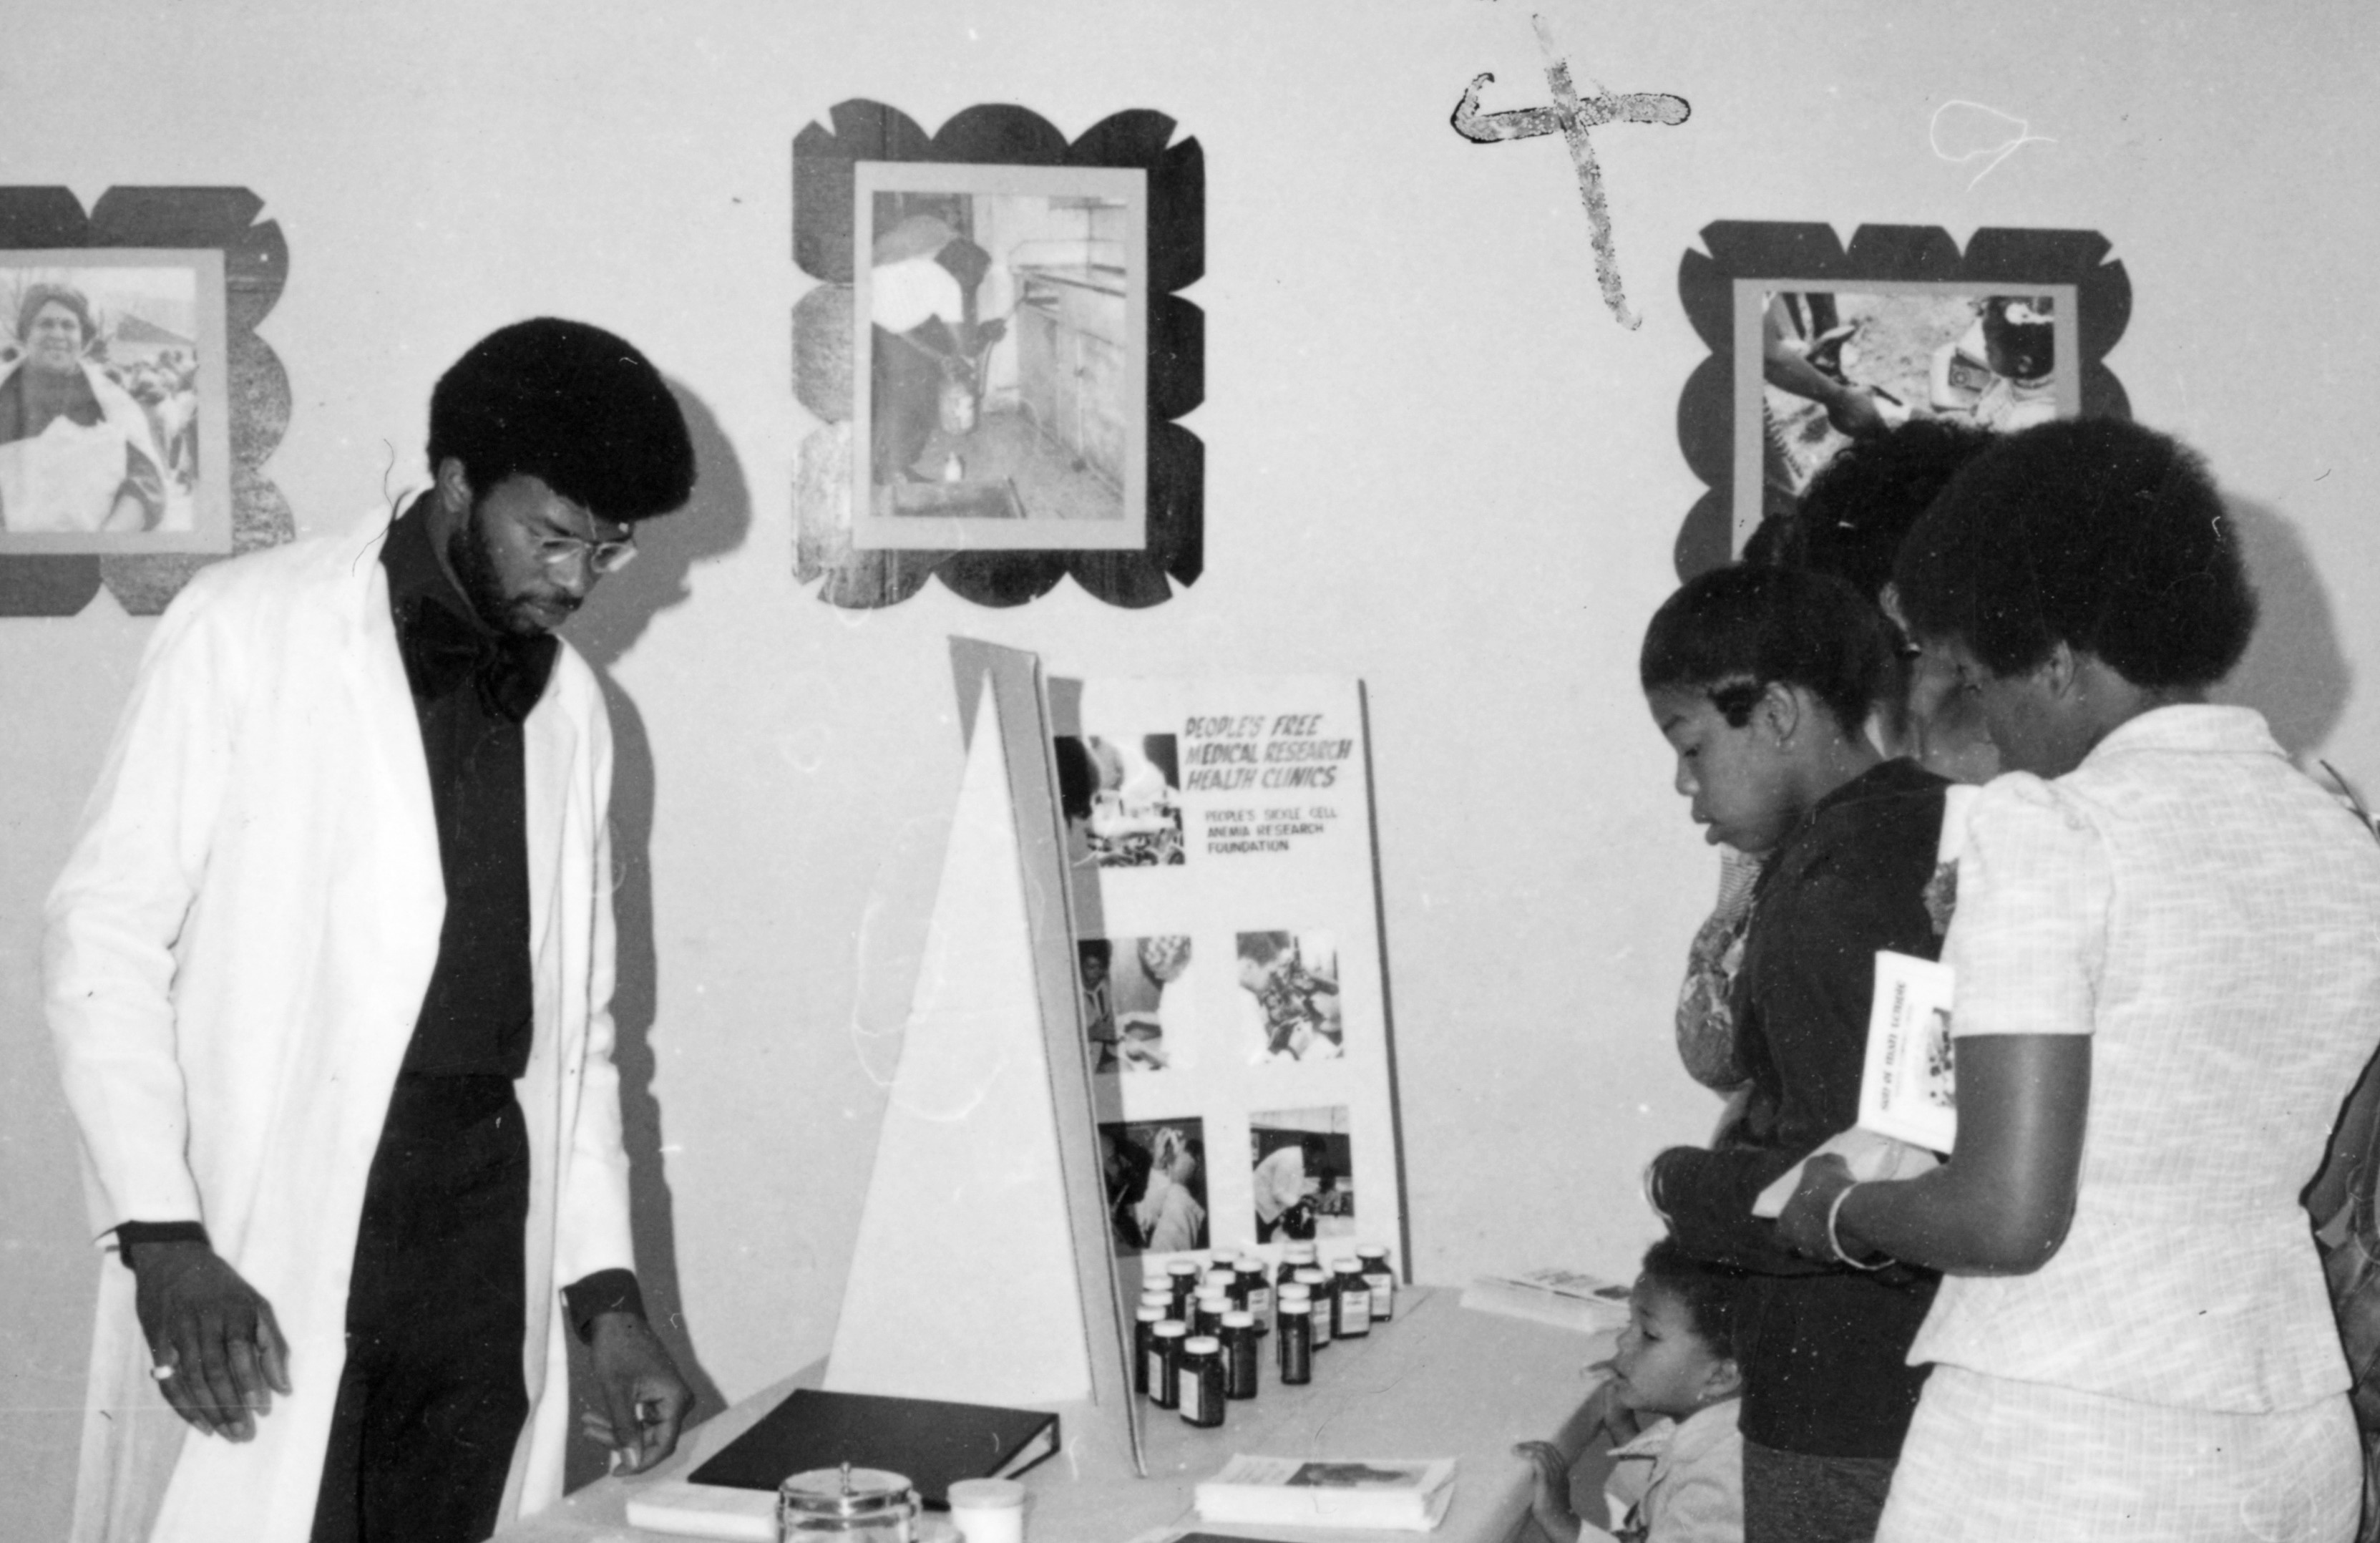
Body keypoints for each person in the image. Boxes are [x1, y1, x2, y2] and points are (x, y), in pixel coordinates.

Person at [47, 318, 701, 1543]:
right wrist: (163, 1236)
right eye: (551, 536)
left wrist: (604, 1297)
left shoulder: (574, 708)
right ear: (456, 481)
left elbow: (579, 1039)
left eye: (607, 552)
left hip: (478, 1231)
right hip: (264, 1226)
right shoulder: (246, 626)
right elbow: (101, 941)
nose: (573, 583)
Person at [1777, 417, 2380, 1542]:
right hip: (2287, 1432)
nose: (1987, 724)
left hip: (2066, 1444)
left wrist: (1843, 1213)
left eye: (1978, 675)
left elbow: (2008, 1214)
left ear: (2054, 659)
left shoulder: (2051, 830)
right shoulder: (2342, 842)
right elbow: (2315, 1152)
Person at [1639, 565, 1948, 1543]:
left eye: (1690, 744)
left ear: (1773, 712)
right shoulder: (1927, 822)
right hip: (1918, 1387)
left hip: (1837, 1402)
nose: (1683, 784)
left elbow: (1851, 1182)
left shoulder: (1827, 890)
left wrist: (1680, 1184)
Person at [1516, 1240, 1748, 1543]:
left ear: (1719, 1376)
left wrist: (1562, 1522)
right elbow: (1665, 1501)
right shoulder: (1716, 1429)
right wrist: (1624, 1430)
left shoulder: (1720, 1481)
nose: (1623, 1342)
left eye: (1649, 1335)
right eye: (1630, 1324)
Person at [0, 282, 168, 532]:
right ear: (26, 333)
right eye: (45, 324)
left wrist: (106, 538)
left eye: (68, 325)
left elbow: (146, 483)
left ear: (83, 337)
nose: (57, 334)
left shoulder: (112, 402)